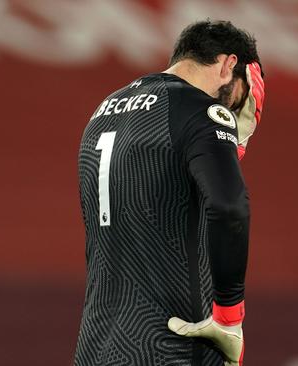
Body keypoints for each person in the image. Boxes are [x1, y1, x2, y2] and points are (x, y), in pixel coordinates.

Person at [73, 19, 265, 366]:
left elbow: (161, 189)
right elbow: (229, 206)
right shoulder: (202, 112)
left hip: (96, 346)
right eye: (241, 95)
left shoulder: (103, 111)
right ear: (228, 65)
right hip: (170, 349)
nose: (237, 110)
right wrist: (229, 317)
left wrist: (231, 146)